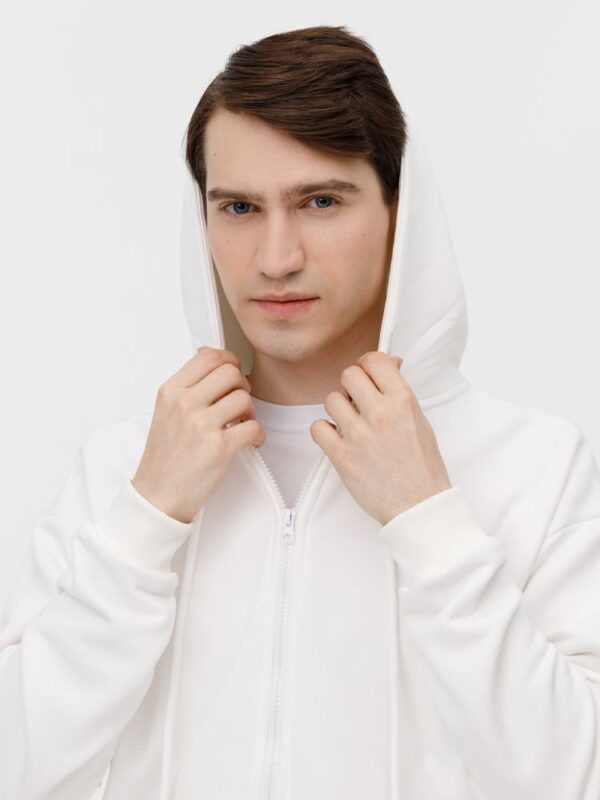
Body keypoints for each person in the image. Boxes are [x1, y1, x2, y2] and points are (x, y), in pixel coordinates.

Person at [2, 23, 600, 800]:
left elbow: (576, 777)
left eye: (320, 201)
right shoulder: (124, 468)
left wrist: (430, 523)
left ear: (400, 211)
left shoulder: (536, 467)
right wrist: (145, 524)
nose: (275, 258)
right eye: (239, 207)